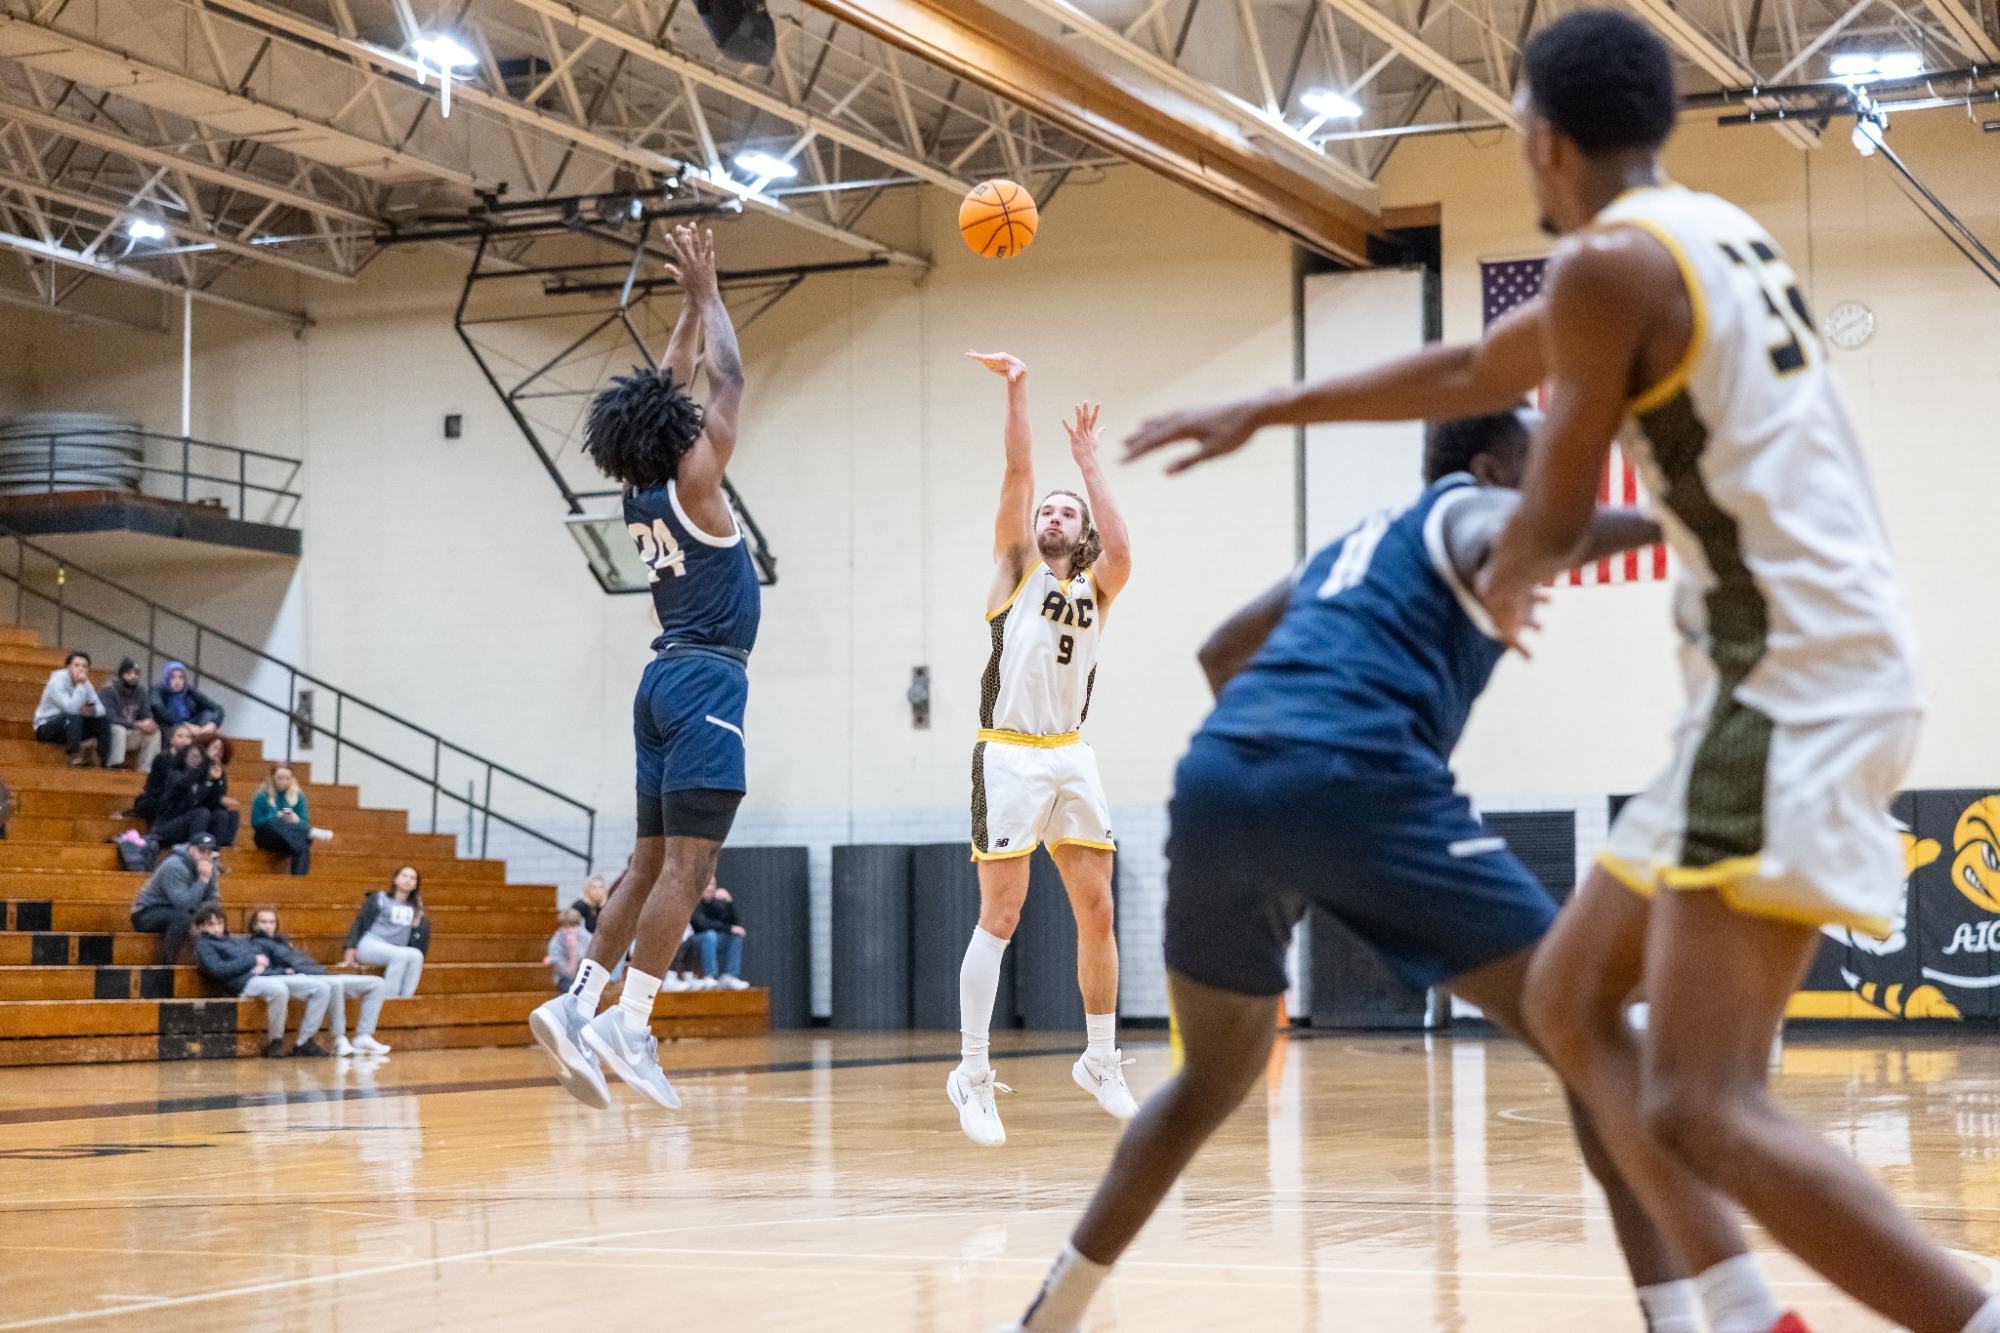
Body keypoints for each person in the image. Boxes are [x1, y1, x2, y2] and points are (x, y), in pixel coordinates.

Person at [1120, 15, 1995, 1333]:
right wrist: (1271, 407)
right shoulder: (1699, 235)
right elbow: (1477, 370)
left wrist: (1505, 569)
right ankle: (1748, 1317)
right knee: (1571, 999)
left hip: (1789, 678)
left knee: (1701, 1103)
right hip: (1801, 668)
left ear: (1539, 133)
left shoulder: (1605, 269)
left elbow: (1553, 500)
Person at [1002, 413, 1679, 1332]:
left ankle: (1050, 1317)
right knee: (1590, 1029)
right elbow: (1527, 530)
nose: (1547, 488)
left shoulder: (1360, 545)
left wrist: (1283, 775)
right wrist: (1682, 515)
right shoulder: (1469, 511)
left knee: (1208, 1080)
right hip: (1358, 777)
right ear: (1485, 470)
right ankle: (1681, 1317)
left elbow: (1220, 651)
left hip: (1220, 781)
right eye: (1537, 471)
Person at [528, 223, 751, 1114]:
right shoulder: (698, 480)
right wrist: (707, 297)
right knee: (690, 869)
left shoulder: (639, 485)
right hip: (704, 680)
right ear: (680, 435)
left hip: (658, 682)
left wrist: (685, 316)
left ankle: (578, 1003)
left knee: (648, 859)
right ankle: (633, 1018)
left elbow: (671, 385)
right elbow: (724, 380)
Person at [947, 353, 1136, 1149]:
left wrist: (1092, 466)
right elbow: (1019, 468)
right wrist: (1019, 387)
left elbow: (1123, 551)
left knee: (1097, 906)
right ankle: (973, 1070)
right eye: (1047, 511)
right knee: (1006, 911)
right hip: (1011, 752)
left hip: (1072, 753)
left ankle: (1099, 1058)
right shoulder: (1014, 570)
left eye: (1068, 512)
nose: (1053, 516)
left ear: (1082, 531)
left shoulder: (1095, 587)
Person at [190, 905, 331, 1058]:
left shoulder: (237, 941)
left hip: (265, 976)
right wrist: (252, 960)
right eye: (211, 924)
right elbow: (219, 970)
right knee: (279, 990)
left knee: (321, 988)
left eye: (220, 923)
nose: (217, 928)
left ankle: (304, 1042)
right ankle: (275, 1041)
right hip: (243, 983)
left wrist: (280, 971)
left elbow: (263, 962)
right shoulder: (204, 945)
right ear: (202, 926)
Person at [247, 907, 390, 1057]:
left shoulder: (283, 942)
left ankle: (364, 1036)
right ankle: (338, 1039)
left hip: (318, 973)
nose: (268, 925)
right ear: (255, 925)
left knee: (377, 983)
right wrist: (284, 971)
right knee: (335, 985)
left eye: (272, 922)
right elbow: (265, 968)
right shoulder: (256, 944)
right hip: (306, 978)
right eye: (263, 922)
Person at [129, 832, 220, 964]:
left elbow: (213, 900)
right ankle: (167, 965)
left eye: (209, 852)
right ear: (191, 849)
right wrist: (203, 880)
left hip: (178, 910)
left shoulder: (209, 865)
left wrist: (203, 917)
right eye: (202, 851)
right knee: (183, 918)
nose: (206, 855)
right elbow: (182, 903)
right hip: (146, 912)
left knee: (216, 919)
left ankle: (213, 963)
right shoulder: (174, 865)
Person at [342, 866, 429, 997]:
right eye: (404, 876)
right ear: (395, 879)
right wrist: (351, 946)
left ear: (416, 884)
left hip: (396, 948)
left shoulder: (416, 908)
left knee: (416, 956)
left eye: (412, 878)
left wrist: (418, 924)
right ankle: (388, 1000)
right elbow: (360, 921)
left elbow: (420, 942)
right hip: (371, 944)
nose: (408, 880)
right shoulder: (380, 899)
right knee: (400, 956)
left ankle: (406, 999)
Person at [151, 737, 238, 849]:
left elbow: (213, 803)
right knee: (202, 813)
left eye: (199, 758)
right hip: (168, 825)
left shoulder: (204, 778)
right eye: (193, 756)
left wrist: (216, 781)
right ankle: (196, 850)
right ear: (183, 757)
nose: (196, 760)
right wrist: (206, 762)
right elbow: (185, 784)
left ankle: (215, 852)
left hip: (192, 823)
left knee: (222, 814)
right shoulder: (175, 774)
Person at [33, 650, 111, 767]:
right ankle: (73, 757)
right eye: (77, 665)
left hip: (72, 727)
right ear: (68, 667)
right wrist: (80, 685)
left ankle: (104, 761)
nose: (81, 669)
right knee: (74, 716)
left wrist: (91, 710)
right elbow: (70, 709)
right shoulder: (57, 681)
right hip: (47, 727)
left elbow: (101, 709)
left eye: (84, 666)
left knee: (103, 721)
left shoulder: (86, 683)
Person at [251, 764, 331, 875]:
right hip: (268, 838)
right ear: (272, 777)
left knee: (303, 846)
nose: (284, 782)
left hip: (290, 840)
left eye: (287, 779)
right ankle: (308, 832)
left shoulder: (298, 797)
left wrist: (296, 820)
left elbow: (303, 822)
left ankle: (298, 884)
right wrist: (275, 817)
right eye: (280, 778)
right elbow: (256, 822)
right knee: (278, 823)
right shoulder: (262, 796)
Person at [96, 657, 160, 771]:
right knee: (118, 729)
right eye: (129, 673)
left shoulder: (141, 691)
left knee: (154, 733)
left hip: (131, 733)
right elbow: (109, 718)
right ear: (121, 675)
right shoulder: (108, 691)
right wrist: (137, 724)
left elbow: (147, 713)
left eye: (136, 673)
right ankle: (115, 765)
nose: (133, 676)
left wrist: (149, 723)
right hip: (110, 734)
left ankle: (146, 772)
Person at [688, 879, 749, 990]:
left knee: (735, 936)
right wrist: (728, 928)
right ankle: (710, 975)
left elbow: (734, 923)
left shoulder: (716, 903)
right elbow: (702, 924)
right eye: (707, 884)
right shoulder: (694, 901)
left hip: (713, 940)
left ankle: (730, 976)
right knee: (711, 935)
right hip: (694, 942)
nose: (710, 888)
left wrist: (729, 901)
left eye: (713, 885)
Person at [131, 721, 196, 824]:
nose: (185, 740)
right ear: (172, 740)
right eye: (180, 736)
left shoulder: (192, 762)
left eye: (188, 737)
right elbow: (155, 788)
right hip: (158, 798)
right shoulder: (162, 758)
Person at [149, 660, 224, 742]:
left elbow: (216, 708)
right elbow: (159, 710)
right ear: (167, 678)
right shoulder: (158, 690)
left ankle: (203, 737)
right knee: (179, 731)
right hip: (169, 726)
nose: (177, 681)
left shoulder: (189, 691)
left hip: (192, 724)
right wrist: (187, 726)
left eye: (181, 677)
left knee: (209, 715)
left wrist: (212, 724)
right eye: (173, 677)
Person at [546, 908, 592, 991]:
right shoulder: (555, 944)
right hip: (565, 979)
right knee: (570, 987)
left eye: (573, 926)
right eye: (566, 927)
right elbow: (569, 974)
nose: (570, 930)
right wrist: (572, 952)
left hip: (586, 977)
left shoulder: (588, 938)